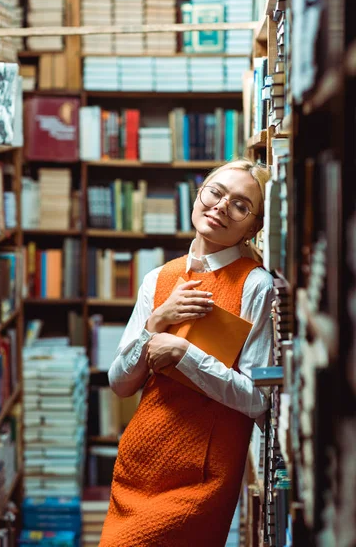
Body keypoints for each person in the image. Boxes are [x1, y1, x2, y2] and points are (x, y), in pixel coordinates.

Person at [99, 158, 274, 547]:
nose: (221, 206)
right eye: (215, 192)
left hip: (202, 475)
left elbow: (258, 401)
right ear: (199, 194)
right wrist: (156, 322)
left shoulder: (256, 286)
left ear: (255, 226)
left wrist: (182, 353)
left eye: (240, 205)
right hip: (139, 462)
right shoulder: (159, 278)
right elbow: (119, 383)